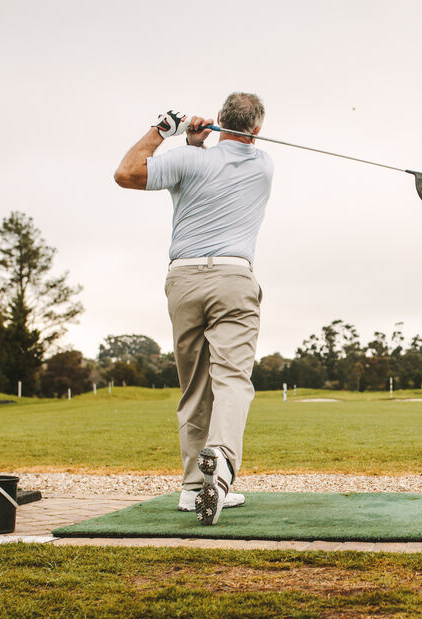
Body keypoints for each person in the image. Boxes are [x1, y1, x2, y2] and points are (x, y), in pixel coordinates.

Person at [114, 93, 274, 525]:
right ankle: (220, 464)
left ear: (220, 118)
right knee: (233, 379)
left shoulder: (189, 162)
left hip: (183, 280)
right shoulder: (263, 167)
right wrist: (199, 146)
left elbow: (126, 173)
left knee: (195, 387)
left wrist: (165, 132)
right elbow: (227, 163)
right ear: (257, 129)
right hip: (233, 280)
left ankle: (191, 488)